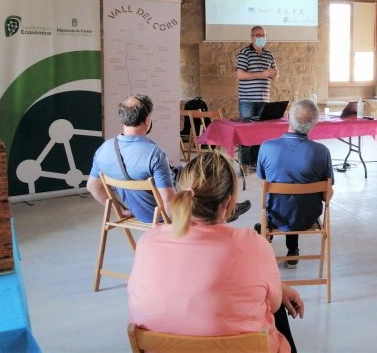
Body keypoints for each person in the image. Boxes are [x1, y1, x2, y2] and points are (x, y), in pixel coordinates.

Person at [128, 151, 305, 353]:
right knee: (276, 310)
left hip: (162, 348)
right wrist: (279, 290)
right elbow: (273, 305)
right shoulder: (253, 244)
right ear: (228, 203)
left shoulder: (148, 241)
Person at [255, 99, 333, 268]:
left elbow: (263, 184)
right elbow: (327, 195)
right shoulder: (322, 152)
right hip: (308, 217)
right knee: (297, 201)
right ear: (313, 125)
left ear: (289, 117)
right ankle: (292, 250)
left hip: (276, 214)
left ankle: (265, 232)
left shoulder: (267, 147)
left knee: (281, 200)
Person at [87, 94, 176, 223]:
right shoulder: (155, 154)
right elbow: (168, 201)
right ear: (147, 120)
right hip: (160, 216)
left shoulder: (103, 150)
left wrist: (120, 210)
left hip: (136, 213)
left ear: (122, 119)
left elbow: (92, 186)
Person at [236, 25, 278, 166]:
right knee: (246, 132)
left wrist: (274, 74)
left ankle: (257, 162)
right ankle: (246, 164)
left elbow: (275, 73)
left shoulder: (269, 54)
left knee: (260, 132)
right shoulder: (244, 53)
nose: (261, 38)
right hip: (247, 100)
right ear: (252, 37)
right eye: (258, 35)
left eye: (264, 35)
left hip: (264, 100)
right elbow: (240, 74)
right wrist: (263, 74)